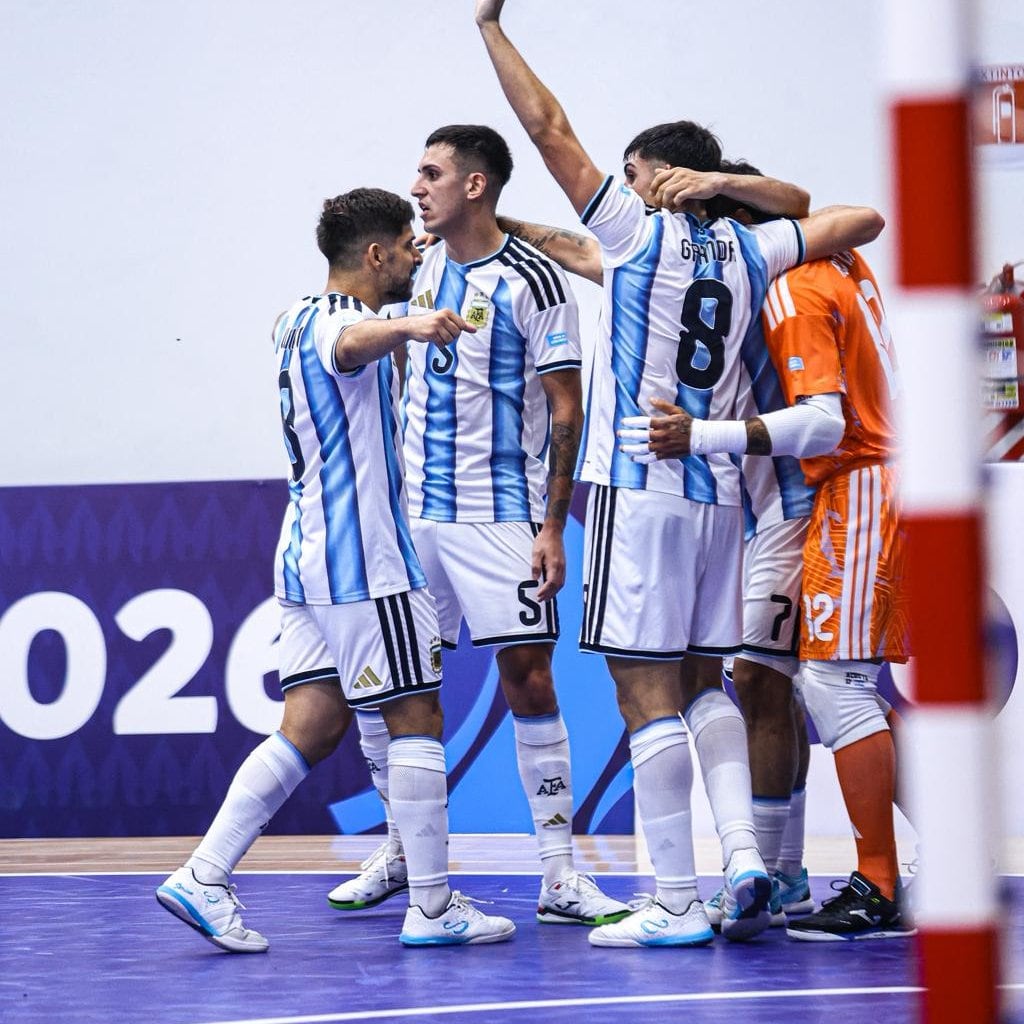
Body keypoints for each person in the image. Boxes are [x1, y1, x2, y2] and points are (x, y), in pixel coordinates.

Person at [475, 0, 884, 948]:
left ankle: (673, 898)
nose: (616, 182)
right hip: (719, 502)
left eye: (631, 172)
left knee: (639, 687)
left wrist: (491, 28)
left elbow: (546, 128)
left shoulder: (636, 229)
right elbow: (857, 216)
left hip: (640, 482)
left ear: (659, 177)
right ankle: (742, 858)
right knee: (708, 682)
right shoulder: (749, 246)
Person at [156, 188, 515, 949]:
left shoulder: (290, 315)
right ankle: (434, 906)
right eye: (408, 248)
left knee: (310, 728)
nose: (419, 256)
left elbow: (340, 338)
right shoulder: (349, 327)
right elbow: (350, 346)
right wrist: (415, 323)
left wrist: (405, 322)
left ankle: (204, 875)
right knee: (416, 719)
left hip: (302, 563)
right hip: (367, 565)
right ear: (376, 255)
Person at [325, 127, 629, 928]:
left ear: (476, 185)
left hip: (500, 516)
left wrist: (554, 527)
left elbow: (568, 406)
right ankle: (403, 853)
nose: (415, 186)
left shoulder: (535, 280)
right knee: (389, 691)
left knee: (529, 681)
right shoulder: (412, 274)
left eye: (431, 173)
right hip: (413, 521)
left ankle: (560, 875)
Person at [625, 189, 914, 940]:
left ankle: (859, 881)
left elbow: (823, 422)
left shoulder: (792, 285)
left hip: (835, 491)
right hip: (834, 493)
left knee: (817, 682)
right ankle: (818, 868)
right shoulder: (834, 263)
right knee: (798, 681)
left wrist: (699, 436)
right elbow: (846, 213)